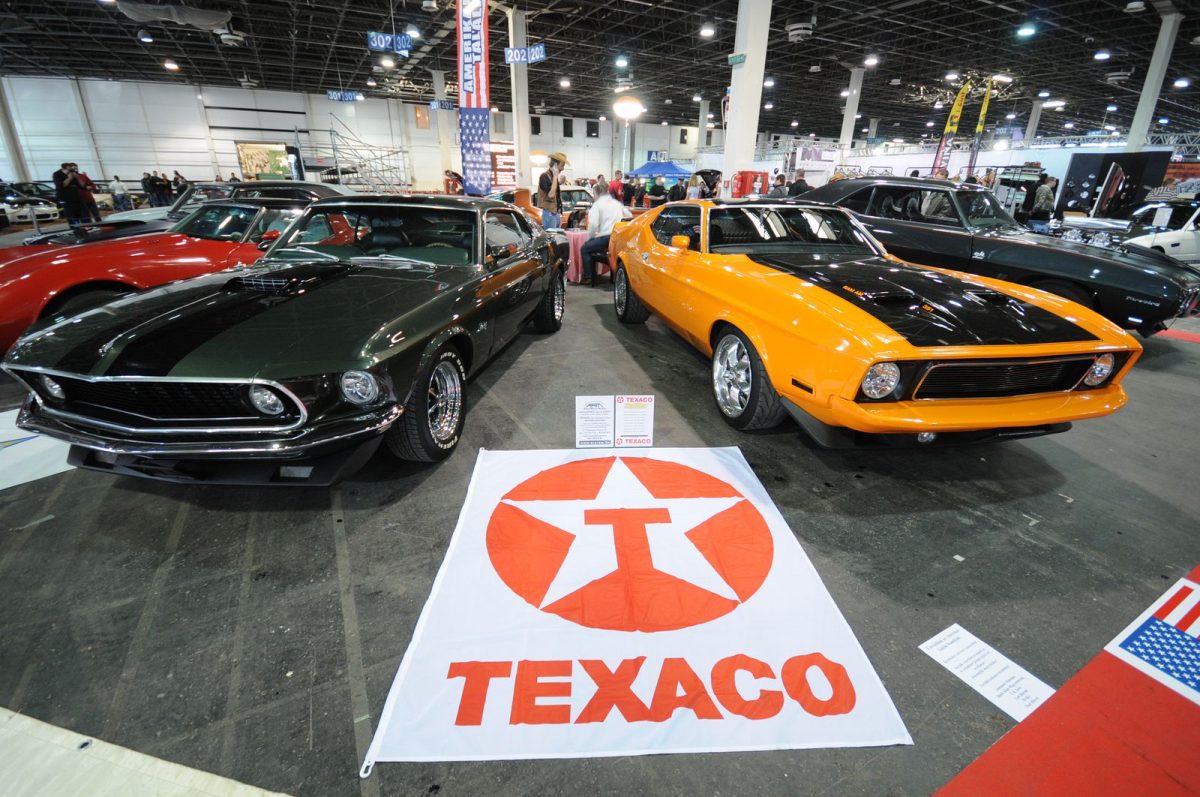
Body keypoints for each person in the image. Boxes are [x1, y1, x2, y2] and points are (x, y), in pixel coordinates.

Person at [579, 183, 631, 286]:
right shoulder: (616, 203)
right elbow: (629, 216)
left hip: (606, 238)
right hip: (617, 238)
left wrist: (589, 238)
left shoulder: (597, 205)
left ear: (597, 193)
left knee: (584, 249)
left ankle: (588, 276)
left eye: (594, 194)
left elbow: (593, 225)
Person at [534, 151, 569, 229]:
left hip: (555, 213)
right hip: (549, 214)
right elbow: (551, 195)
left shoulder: (552, 177)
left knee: (557, 236)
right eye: (562, 166)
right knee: (552, 236)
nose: (563, 169)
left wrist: (558, 182)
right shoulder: (544, 176)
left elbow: (552, 190)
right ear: (555, 165)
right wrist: (556, 176)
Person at [53, 162, 86, 227]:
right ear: (64, 168)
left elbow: (82, 186)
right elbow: (61, 185)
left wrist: (77, 178)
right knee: (70, 214)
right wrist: (69, 178)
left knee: (82, 213)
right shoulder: (57, 174)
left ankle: (84, 226)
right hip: (66, 198)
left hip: (77, 198)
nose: (71, 171)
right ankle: (75, 228)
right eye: (69, 169)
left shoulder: (73, 174)